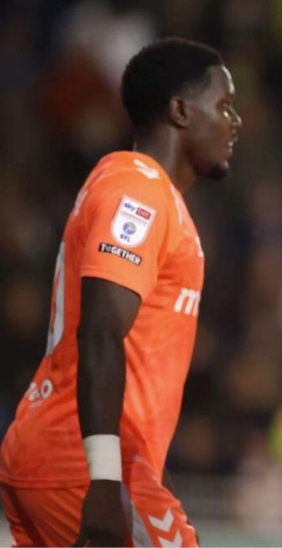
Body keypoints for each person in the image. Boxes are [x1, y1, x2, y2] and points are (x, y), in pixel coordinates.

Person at [0, 37, 241, 546]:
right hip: (79, 461)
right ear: (179, 111)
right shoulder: (137, 191)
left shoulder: (147, 193)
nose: (234, 121)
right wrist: (106, 481)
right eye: (222, 106)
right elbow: (102, 333)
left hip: (80, 457)